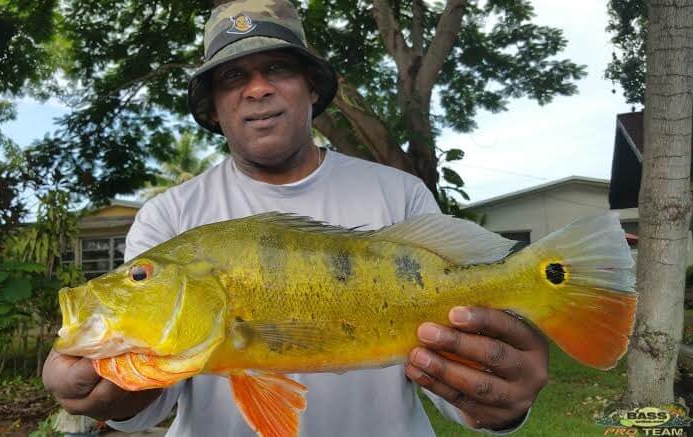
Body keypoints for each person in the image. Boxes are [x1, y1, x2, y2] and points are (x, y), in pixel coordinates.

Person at [42, 1, 549, 435]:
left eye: (277, 69)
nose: (257, 89)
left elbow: (454, 385)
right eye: (232, 76)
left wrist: (500, 399)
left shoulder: (399, 195)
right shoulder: (169, 217)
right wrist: (109, 391)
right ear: (213, 108)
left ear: (311, 89)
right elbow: (151, 402)